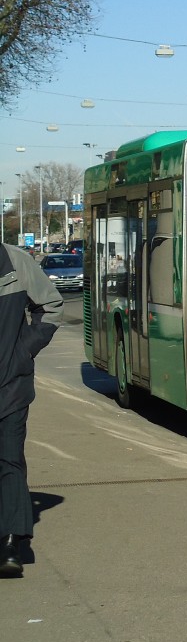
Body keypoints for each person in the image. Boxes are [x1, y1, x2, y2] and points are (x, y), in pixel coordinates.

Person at [1, 242, 64, 578]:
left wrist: (23, 351)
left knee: (9, 458)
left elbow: (52, 305)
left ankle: (9, 543)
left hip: (9, 385)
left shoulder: (16, 262)